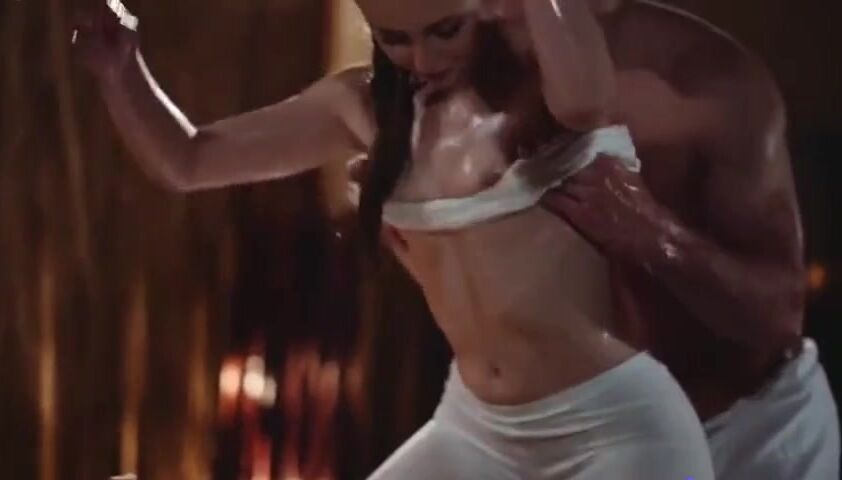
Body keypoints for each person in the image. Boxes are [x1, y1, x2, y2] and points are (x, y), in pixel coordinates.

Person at [73, 0, 720, 478]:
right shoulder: (364, 109)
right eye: (396, 40)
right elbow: (189, 160)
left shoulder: (544, 93)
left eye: (446, 30)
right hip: (477, 431)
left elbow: (586, 103)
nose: (425, 60)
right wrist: (121, 70)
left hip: (613, 429)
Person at [538, 2, 840, 479]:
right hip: (601, 439)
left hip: (749, 431)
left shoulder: (706, 81)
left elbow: (780, 314)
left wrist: (649, 233)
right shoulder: (457, 61)